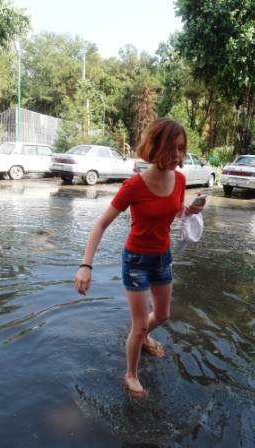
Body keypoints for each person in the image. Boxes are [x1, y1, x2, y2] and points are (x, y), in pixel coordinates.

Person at [74, 118, 206, 397]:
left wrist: (189, 210)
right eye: (172, 149)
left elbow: (175, 208)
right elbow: (100, 224)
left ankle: (144, 336)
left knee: (163, 314)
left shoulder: (180, 179)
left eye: (181, 149)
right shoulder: (133, 186)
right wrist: (86, 265)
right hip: (136, 260)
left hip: (163, 258)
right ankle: (131, 376)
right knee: (140, 324)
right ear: (155, 147)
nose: (177, 156)